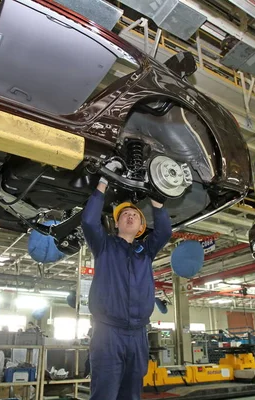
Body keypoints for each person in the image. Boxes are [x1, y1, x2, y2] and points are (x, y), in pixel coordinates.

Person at [81, 160, 172, 400]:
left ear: (142, 226)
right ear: (117, 223)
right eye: (125, 215)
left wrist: (157, 202)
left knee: (132, 395)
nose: (130, 217)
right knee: (104, 394)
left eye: (135, 215)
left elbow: (164, 232)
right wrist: (104, 180)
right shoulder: (104, 246)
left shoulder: (146, 252)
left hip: (138, 334)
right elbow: (89, 221)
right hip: (108, 333)